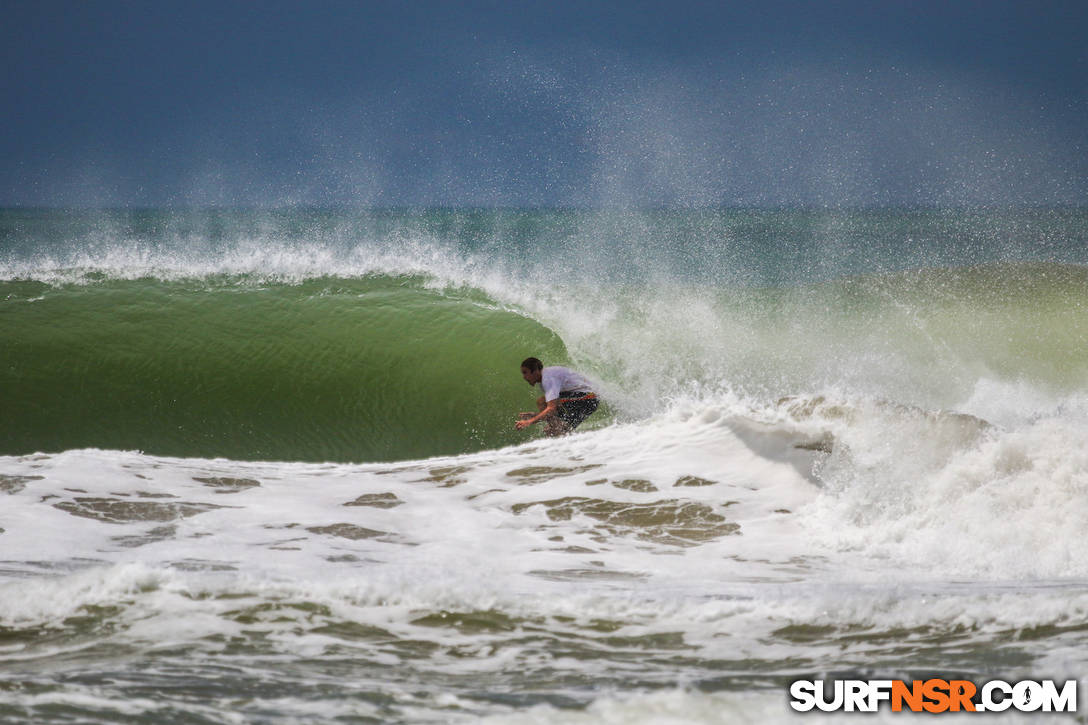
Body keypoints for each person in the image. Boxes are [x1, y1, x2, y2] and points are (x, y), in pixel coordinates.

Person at [515, 357, 599, 436]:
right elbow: (554, 409)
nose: (524, 377)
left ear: (535, 371)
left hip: (588, 398)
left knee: (542, 402)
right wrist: (536, 415)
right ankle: (564, 437)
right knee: (552, 430)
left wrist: (529, 422)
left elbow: (551, 408)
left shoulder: (547, 379)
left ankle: (560, 431)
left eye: (525, 373)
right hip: (585, 400)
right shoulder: (545, 378)